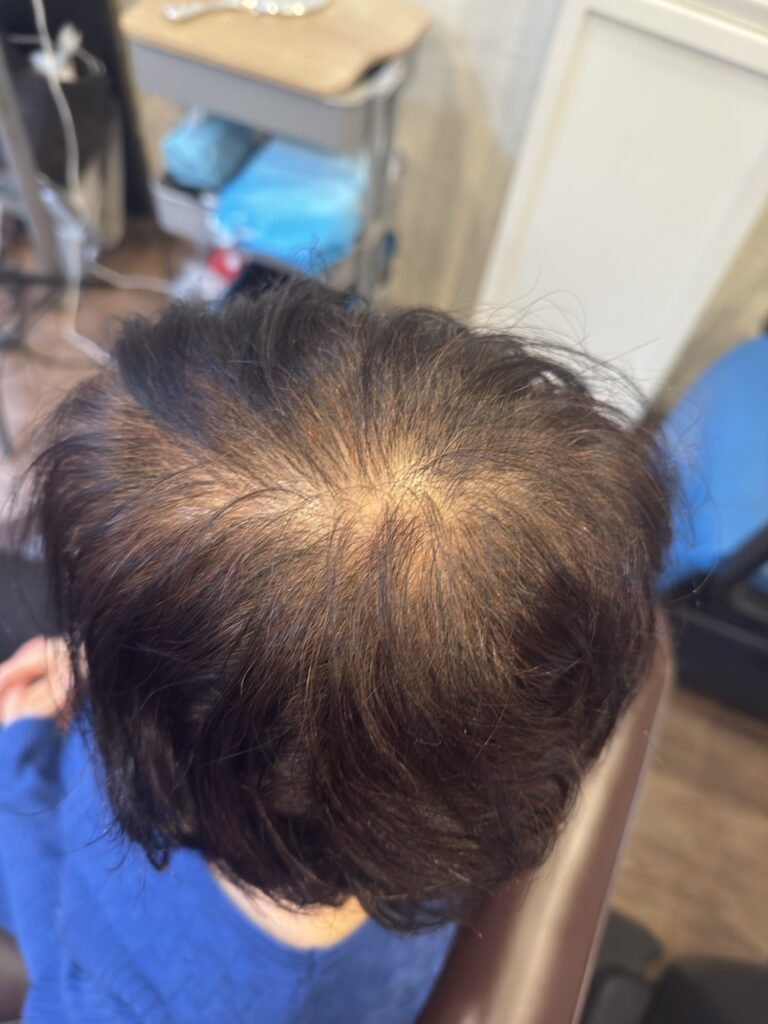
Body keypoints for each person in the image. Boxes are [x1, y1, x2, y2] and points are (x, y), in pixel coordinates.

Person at [0, 280, 671, 1023]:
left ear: (221, 759)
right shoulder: (462, 764)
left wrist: (19, 759)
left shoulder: (143, 999)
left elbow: (57, 956)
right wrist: (110, 663)